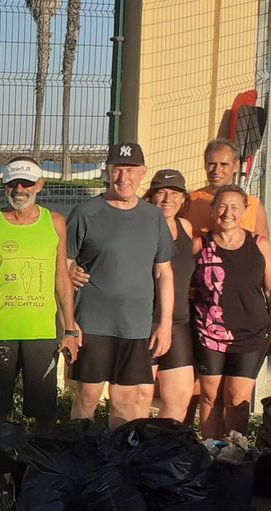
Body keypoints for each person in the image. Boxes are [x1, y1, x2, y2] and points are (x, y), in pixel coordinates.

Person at [64, 142, 174, 428]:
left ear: (143, 173)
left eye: (130, 170)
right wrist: (67, 322)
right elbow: (62, 266)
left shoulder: (154, 217)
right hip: (92, 322)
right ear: (108, 172)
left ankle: (119, 465)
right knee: (87, 397)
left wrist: (164, 324)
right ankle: (81, 463)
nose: (123, 178)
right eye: (117, 170)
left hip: (135, 326)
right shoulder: (86, 212)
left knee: (126, 402)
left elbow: (164, 274)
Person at [0, 157, 74, 429]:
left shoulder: (55, 222)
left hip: (42, 332)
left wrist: (70, 331)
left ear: (40, 184)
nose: (19, 189)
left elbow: (61, 277)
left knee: (45, 414)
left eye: (26, 182)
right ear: (4, 185)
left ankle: (39, 470)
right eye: (12, 183)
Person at [190, 185, 271, 438]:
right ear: (212, 210)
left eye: (234, 206)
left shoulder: (260, 245)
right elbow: (180, 284)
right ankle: (211, 451)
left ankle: (234, 454)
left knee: (237, 398)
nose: (228, 212)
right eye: (221, 206)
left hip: (251, 335)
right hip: (208, 334)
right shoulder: (200, 245)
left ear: (245, 210)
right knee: (210, 396)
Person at [145, 169, 199, 423]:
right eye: (161, 192)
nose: (168, 199)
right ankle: (133, 453)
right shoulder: (140, 225)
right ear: (151, 196)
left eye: (175, 193)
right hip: (145, 322)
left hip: (179, 323)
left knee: (179, 396)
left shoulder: (186, 227)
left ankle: (161, 454)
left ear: (183, 199)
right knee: (140, 398)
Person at [183, 139, 269, 238]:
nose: (216, 170)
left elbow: (263, 248)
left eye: (224, 165)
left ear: (236, 166)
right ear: (205, 165)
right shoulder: (189, 203)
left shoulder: (253, 207)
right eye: (212, 164)